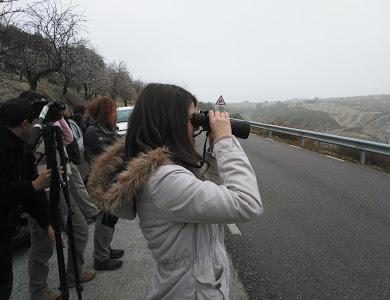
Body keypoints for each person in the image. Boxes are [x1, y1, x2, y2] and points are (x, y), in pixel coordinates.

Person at [87, 83, 263, 299]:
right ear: (171, 122)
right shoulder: (165, 180)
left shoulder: (164, 172)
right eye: (192, 120)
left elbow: (216, 195)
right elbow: (247, 203)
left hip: (191, 286)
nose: (197, 127)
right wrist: (226, 141)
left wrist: (215, 151)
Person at [19, 90, 95, 299]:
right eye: (43, 106)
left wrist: (58, 116)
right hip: (41, 193)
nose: (47, 109)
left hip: (61, 186)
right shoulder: (28, 131)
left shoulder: (51, 125)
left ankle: (74, 274)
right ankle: (38, 290)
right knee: (43, 243)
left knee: (79, 229)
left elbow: (69, 138)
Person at [0, 97, 56, 300]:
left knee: (5, 280)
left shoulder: (21, 149)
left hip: (5, 228)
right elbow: (30, 186)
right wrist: (32, 186)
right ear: (25, 124)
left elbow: (34, 193)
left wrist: (46, 222)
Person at [83, 96, 124, 271]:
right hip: (102, 181)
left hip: (111, 178)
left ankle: (105, 248)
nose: (114, 114)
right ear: (103, 112)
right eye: (112, 111)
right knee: (105, 216)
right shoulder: (93, 131)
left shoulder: (106, 129)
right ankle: (100, 257)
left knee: (111, 216)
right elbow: (107, 153)